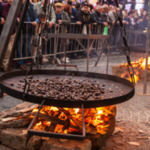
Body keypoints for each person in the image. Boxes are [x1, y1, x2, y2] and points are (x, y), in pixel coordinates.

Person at [17, 0, 39, 70]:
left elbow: (36, 17)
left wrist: (36, 21)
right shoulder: (19, 6)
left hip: (29, 31)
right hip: (21, 30)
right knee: (19, 48)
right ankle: (20, 63)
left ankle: (24, 62)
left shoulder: (31, 6)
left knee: (27, 48)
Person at [1, 0, 20, 71]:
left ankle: (7, 65)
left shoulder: (16, 6)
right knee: (7, 49)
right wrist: (16, 19)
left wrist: (17, 19)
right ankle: (4, 65)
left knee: (11, 49)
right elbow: (6, 16)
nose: (10, 0)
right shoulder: (4, 6)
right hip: (6, 31)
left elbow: (20, 16)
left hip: (13, 31)